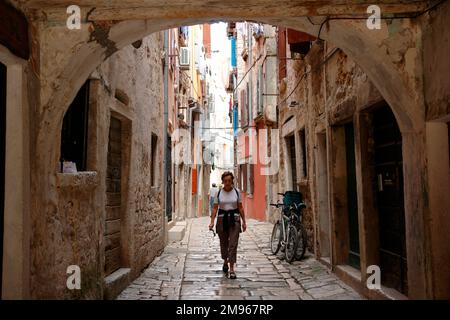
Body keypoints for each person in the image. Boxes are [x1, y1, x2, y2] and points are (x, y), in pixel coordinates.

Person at [209, 171, 247, 279]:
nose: (227, 183)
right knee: (224, 243)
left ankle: (231, 269)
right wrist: (212, 221)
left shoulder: (236, 192)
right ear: (223, 181)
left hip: (234, 219)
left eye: (229, 181)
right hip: (222, 219)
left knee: (233, 244)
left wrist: (244, 221)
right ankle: (225, 260)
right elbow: (215, 208)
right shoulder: (219, 193)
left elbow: (240, 207)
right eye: (225, 181)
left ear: (232, 181)